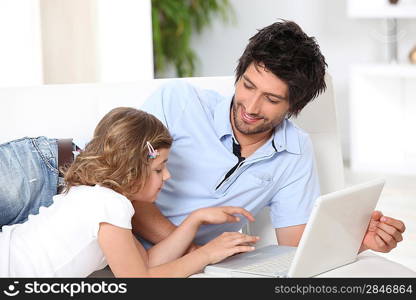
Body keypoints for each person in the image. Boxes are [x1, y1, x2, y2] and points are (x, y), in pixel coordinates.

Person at [133, 20, 406, 254]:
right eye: (248, 86)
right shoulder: (176, 103)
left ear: (294, 106)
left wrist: (359, 242)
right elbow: (123, 189)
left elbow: (294, 245)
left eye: (272, 99)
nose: (251, 107)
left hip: (192, 268)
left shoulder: (295, 150)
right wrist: (195, 254)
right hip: (120, 244)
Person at [0, 107, 259, 277]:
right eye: (159, 169)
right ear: (132, 169)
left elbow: (145, 263)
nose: (166, 176)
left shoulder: (102, 197)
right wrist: (207, 253)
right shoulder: (109, 204)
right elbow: (138, 284)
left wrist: (195, 219)